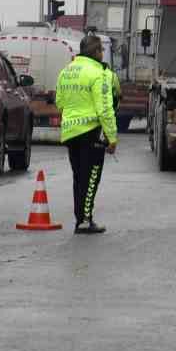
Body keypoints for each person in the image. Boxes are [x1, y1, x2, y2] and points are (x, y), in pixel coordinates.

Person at [55, 33, 117, 234]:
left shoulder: (66, 71)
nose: (103, 54)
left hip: (71, 132)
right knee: (91, 178)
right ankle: (84, 220)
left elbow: (60, 103)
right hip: (91, 131)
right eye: (102, 51)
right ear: (97, 52)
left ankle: (80, 218)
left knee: (79, 177)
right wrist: (112, 137)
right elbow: (105, 109)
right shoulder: (99, 73)